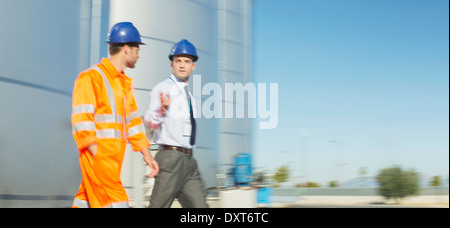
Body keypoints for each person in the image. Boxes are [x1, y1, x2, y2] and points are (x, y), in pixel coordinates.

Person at [71, 22, 159, 208]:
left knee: (84, 201)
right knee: (118, 203)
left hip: (111, 163)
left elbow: (134, 124)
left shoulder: (124, 85)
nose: (139, 54)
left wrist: (147, 155)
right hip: (100, 162)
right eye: (137, 49)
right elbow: (82, 122)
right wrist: (99, 158)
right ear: (126, 49)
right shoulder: (91, 78)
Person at [144, 39, 208, 208]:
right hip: (170, 158)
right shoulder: (162, 88)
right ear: (171, 64)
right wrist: (162, 109)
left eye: (187, 61)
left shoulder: (189, 96)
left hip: (189, 161)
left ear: (193, 66)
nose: (182, 65)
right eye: (178, 61)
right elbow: (149, 122)